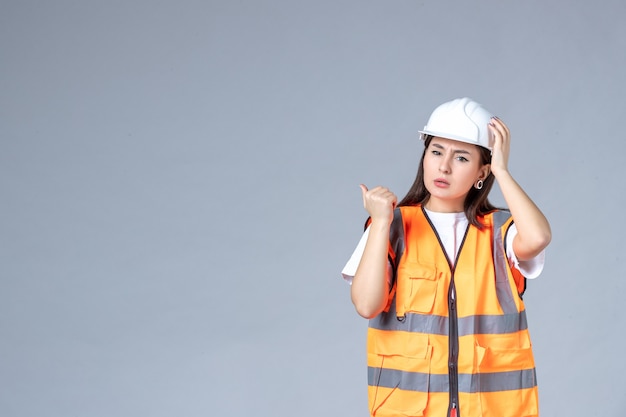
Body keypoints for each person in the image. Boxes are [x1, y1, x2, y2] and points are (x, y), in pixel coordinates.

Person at [341, 97, 551, 417]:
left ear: (482, 170)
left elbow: (538, 237)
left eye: (462, 157)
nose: (444, 166)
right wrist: (381, 222)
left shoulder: (501, 232)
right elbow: (366, 305)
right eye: (436, 151)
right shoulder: (391, 225)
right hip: (410, 409)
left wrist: (502, 172)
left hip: (492, 409)